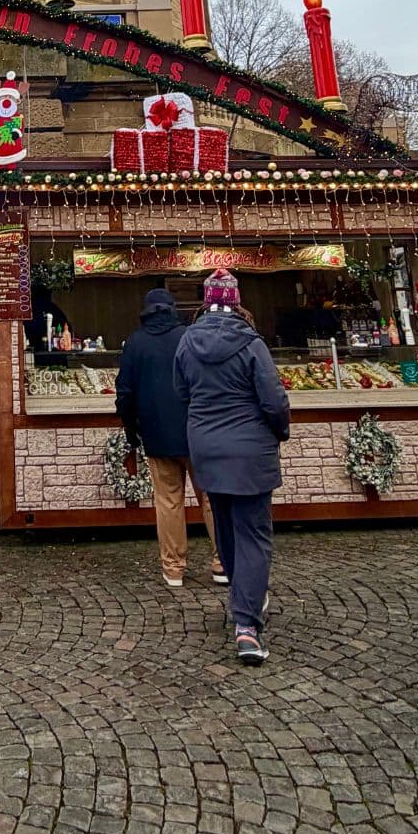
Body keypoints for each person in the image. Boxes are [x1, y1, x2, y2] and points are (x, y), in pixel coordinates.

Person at [174, 269, 290, 666]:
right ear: (237, 300)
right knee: (254, 535)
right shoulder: (252, 343)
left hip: (207, 449)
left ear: (206, 301)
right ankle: (246, 625)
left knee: (225, 528)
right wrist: (280, 431)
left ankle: (246, 597)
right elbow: (274, 400)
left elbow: (181, 392)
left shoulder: (187, 342)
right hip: (249, 452)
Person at [116, 288, 225, 590]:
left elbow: (124, 392)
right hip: (197, 432)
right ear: (172, 309)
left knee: (168, 502)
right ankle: (223, 563)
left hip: (157, 433)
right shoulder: (190, 336)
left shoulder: (136, 342)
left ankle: (173, 569)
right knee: (212, 498)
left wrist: (130, 427)